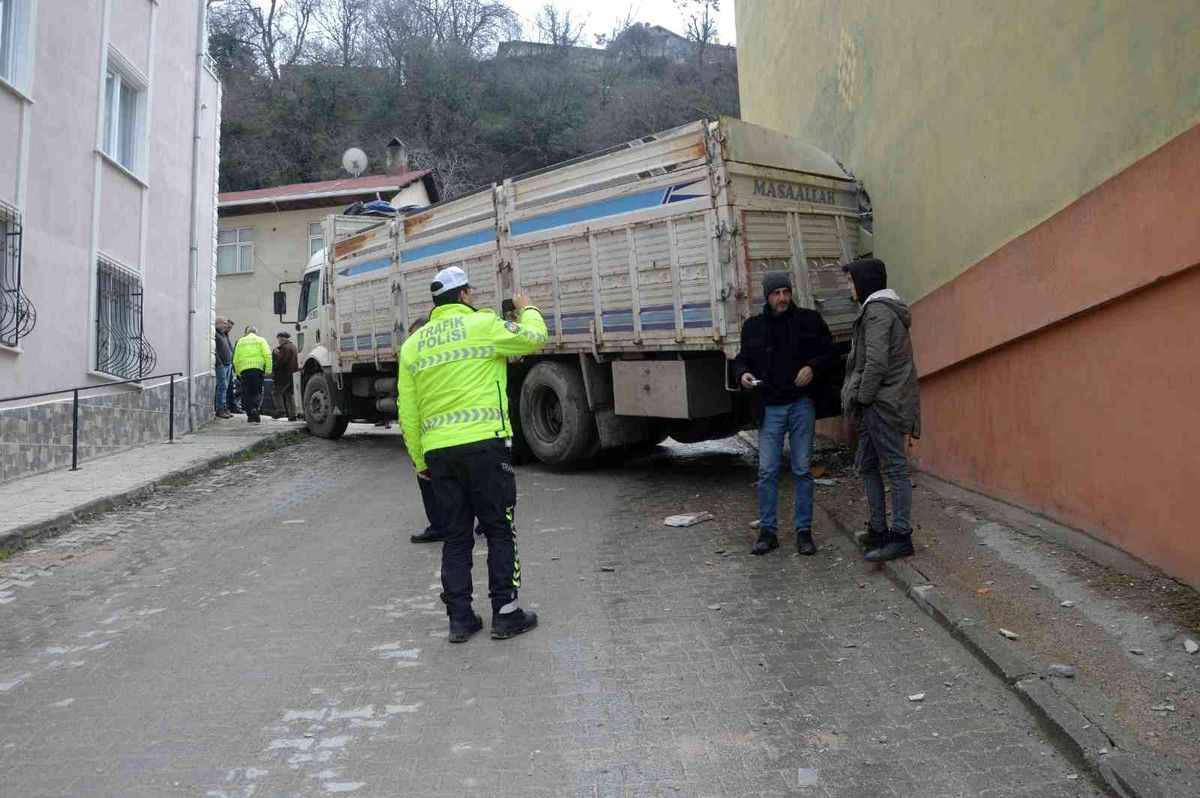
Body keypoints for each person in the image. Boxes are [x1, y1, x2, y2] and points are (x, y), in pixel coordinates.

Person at [396, 266, 548, 643]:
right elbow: (534, 337)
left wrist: (420, 461)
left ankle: (460, 620)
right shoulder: (483, 324)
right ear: (464, 295)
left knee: (456, 537)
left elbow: (408, 412)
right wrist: (527, 308)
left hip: (439, 454)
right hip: (486, 446)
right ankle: (506, 615)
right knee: (499, 528)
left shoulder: (413, 345)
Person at [733, 271, 839, 556]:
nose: (782, 298)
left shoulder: (809, 320)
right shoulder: (753, 326)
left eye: (786, 292)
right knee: (767, 470)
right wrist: (743, 374)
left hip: (801, 404)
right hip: (770, 408)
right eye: (777, 293)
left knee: (802, 470)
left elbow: (830, 353)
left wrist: (813, 367)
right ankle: (768, 532)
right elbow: (742, 359)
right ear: (767, 297)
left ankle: (804, 532)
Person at [841, 258, 921, 562]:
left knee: (895, 469)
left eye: (851, 281)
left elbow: (876, 363)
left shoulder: (877, 312)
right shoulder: (877, 309)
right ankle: (878, 530)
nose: (849, 287)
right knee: (866, 464)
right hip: (878, 402)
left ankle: (901, 537)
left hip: (882, 403)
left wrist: (862, 399)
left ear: (864, 282)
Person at [405, 315, 447, 545]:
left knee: (428, 479)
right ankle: (485, 520)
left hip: (435, 436)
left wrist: (418, 459)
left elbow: (410, 413)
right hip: (459, 434)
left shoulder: (422, 364)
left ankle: (439, 526)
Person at [232, 325, 272, 423]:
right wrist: (268, 369)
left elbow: (236, 358)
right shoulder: (261, 340)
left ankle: (249, 414)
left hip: (244, 370)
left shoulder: (240, 341)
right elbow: (267, 355)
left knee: (247, 392)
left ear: (247, 332)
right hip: (258, 369)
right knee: (257, 391)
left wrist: (238, 372)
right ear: (256, 332)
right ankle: (255, 408)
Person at [271, 331, 300, 421]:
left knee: (276, 392)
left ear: (283, 339)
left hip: (283, 375)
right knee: (289, 394)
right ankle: (293, 414)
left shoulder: (285, 347)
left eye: (279, 339)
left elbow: (282, 361)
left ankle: (281, 410)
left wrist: (275, 358)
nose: (278, 341)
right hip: (292, 375)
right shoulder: (293, 346)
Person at [214, 317, 234, 419]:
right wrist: (219, 363)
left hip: (228, 364)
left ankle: (224, 407)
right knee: (222, 387)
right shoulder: (215, 334)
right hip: (221, 366)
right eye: (225, 324)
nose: (226, 326)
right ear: (218, 323)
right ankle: (220, 409)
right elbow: (215, 351)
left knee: (225, 387)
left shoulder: (223, 334)